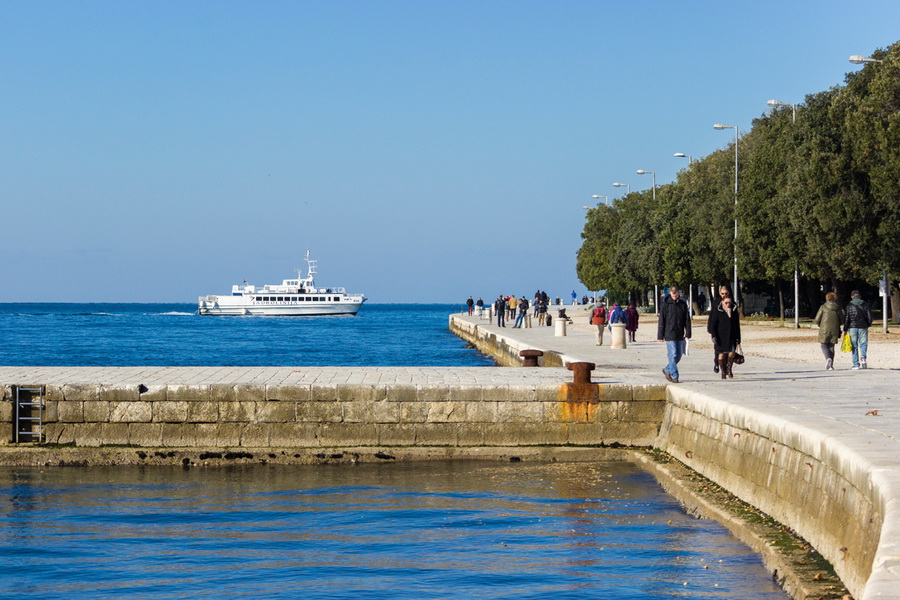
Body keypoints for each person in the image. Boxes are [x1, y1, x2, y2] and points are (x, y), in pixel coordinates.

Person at [657, 286, 691, 383]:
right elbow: (661, 320)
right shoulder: (665, 304)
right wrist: (660, 335)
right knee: (672, 354)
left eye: (676, 296)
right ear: (670, 294)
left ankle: (667, 369)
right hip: (669, 332)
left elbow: (687, 320)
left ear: (678, 294)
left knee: (679, 355)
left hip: (679, 332)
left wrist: (688, 332)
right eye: (673, 296)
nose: (675, 297)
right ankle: (675, 375)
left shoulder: (682, 304)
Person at [707, 294, 741, 379]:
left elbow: (737, 325)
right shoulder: (718, 310)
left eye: (729, 302)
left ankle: (729, 369)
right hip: (720, 336)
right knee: (721, 355)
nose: (728, 304)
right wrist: (713, 336)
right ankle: (723, 371)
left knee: (732, 353)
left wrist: (738, 337)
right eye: (726, 303)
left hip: (732, 335)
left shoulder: (734, 310)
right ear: (722, 302)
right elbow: (713, 324)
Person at [814, 292, 844, 370]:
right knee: (831, 345)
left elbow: (817, 319)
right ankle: (831, 365)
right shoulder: (838, 308)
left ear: (827, 298)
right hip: (835, 329)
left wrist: (820, 325)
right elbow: (842, 319)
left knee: (823, 344)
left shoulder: (823, 307)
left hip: (824, 329)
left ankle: (828, 358)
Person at [844, 290, 873, 369]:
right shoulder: (865, 304)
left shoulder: (849, 305)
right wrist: (868, 324)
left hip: (852, 327)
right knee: (863, 343)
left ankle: (856, 364)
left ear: (852, 297)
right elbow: (870, 316)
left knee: (854, 345)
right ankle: (863, 356)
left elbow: (847, 318)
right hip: (863, 326)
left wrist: (845, 328)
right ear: (860, 296)